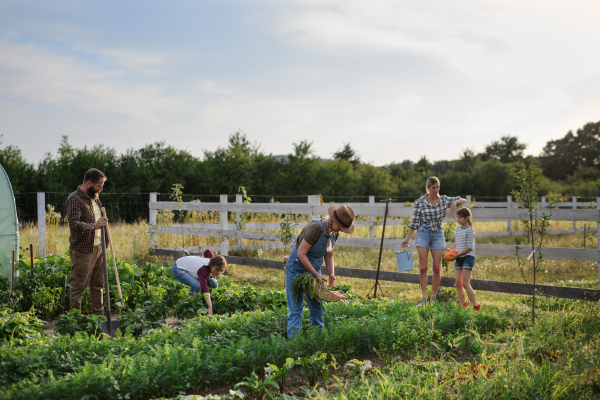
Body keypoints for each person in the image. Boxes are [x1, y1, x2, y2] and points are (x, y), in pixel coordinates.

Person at [285, 205, 356, 338]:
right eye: (340, 227)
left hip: (314, 271)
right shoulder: (316, 228)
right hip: (297, 268)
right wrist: (316, 274)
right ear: (334, 220)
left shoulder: (335, 232)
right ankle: (294, 344)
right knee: (296, 308)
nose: (341, 230)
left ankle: (317, 338)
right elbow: (301, 253)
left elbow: (329, 255)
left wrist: (331, 274)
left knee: (317, 306)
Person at [400, 176, 466, 306]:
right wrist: (407, 239)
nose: (436, 190)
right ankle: (424, 298)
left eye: (438, 187)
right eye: (433, 188)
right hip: (423, 233)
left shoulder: (444, 199)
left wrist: (455, 202)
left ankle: (434, 297)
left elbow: (463, 200)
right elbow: (414, 222)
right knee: (423, 268)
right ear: (428, 188)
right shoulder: (420, 202)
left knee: (437, 268)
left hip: (437, 234)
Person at [66, 168, 110, 315]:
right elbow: (74, 223)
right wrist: (94, 225)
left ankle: (98, 317)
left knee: (98, 285)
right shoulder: (74, 198)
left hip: (99, 247)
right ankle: (74, 320)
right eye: (99, 185)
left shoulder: (95, 197)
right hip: (83, 250)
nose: (101, 189)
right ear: (89, 183)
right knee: (79, 286)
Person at [171, 252, 226, 316]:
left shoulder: (212, 259)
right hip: (178, 268)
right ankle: (188, 307)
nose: (218, 272)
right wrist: (210, 306)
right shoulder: (203, 270)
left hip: (190, 266)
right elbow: (204, 288)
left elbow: (208, 251)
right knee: (197, 285)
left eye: (221, 270)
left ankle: (203, 304)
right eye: (217, 269)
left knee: (214, 284)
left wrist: (202, 257)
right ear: (211, 264)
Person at [447, 208, 480, 311]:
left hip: (468, 257)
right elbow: (458, 244)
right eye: (457, 217)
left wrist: (456, 255)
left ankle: (475, 307)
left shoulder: (470, 230)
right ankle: (462, 306)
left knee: (465, 283)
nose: (458, 219)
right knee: (458, 283)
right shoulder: (458, 229)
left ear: (467, 218)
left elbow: (469, 247)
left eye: (460, 217)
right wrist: (450, 251)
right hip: (459, 257)